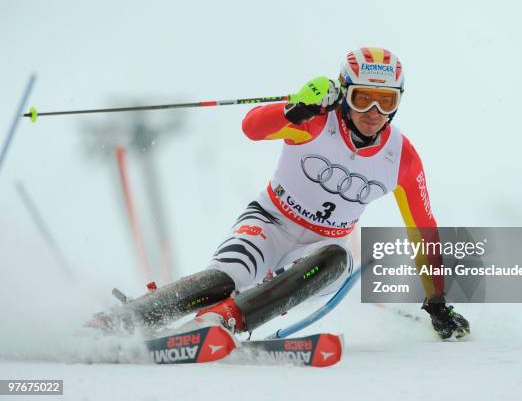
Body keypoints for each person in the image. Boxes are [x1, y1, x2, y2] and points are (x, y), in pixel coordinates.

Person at [92, 47, 469, 340]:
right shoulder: (315, 121)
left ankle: (219, 321)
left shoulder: (401, 157)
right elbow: (251, 128)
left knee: (337, 259)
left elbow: (424, 230)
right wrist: (293, 110)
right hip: (270, 222)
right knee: (228, 275)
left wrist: (436, 300)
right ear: (344, 94)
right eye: (363, 98)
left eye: (386, 101)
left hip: (320, 249)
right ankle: (121, 321)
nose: (373, 112)